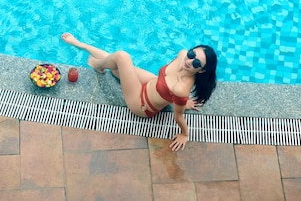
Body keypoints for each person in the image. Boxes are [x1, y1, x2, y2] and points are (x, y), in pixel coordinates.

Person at [61, 33, 217, 152]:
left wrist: (185, 134)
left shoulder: (181, 89)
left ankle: (98, 65)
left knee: (122, 57)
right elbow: (173, 92)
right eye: (192, 55)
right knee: (116, 63)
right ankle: (80, 44)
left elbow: (178, 116)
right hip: (151, 82)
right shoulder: (182, 55)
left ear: (202, 70)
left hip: (142, 103)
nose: (189, 61)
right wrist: (183, 102)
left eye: (196, 63)